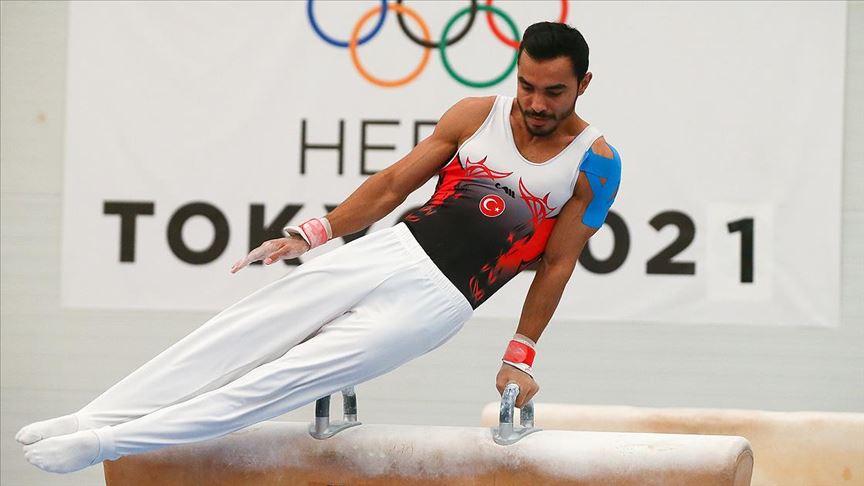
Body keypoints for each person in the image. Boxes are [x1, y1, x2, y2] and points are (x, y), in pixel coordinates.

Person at [18, 21, 621, 474]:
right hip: (390, 250)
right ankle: (93, 416)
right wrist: (310, 234)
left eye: (554, 92)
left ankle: (105, 445)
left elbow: (558, 263)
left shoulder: (595, 163)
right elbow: (390, 185)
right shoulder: (475, 115)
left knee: (285, 380)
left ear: (583, 85)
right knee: (241, 329)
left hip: (439, 303)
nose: (537, 104)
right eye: (526, 86)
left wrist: (521, 355)